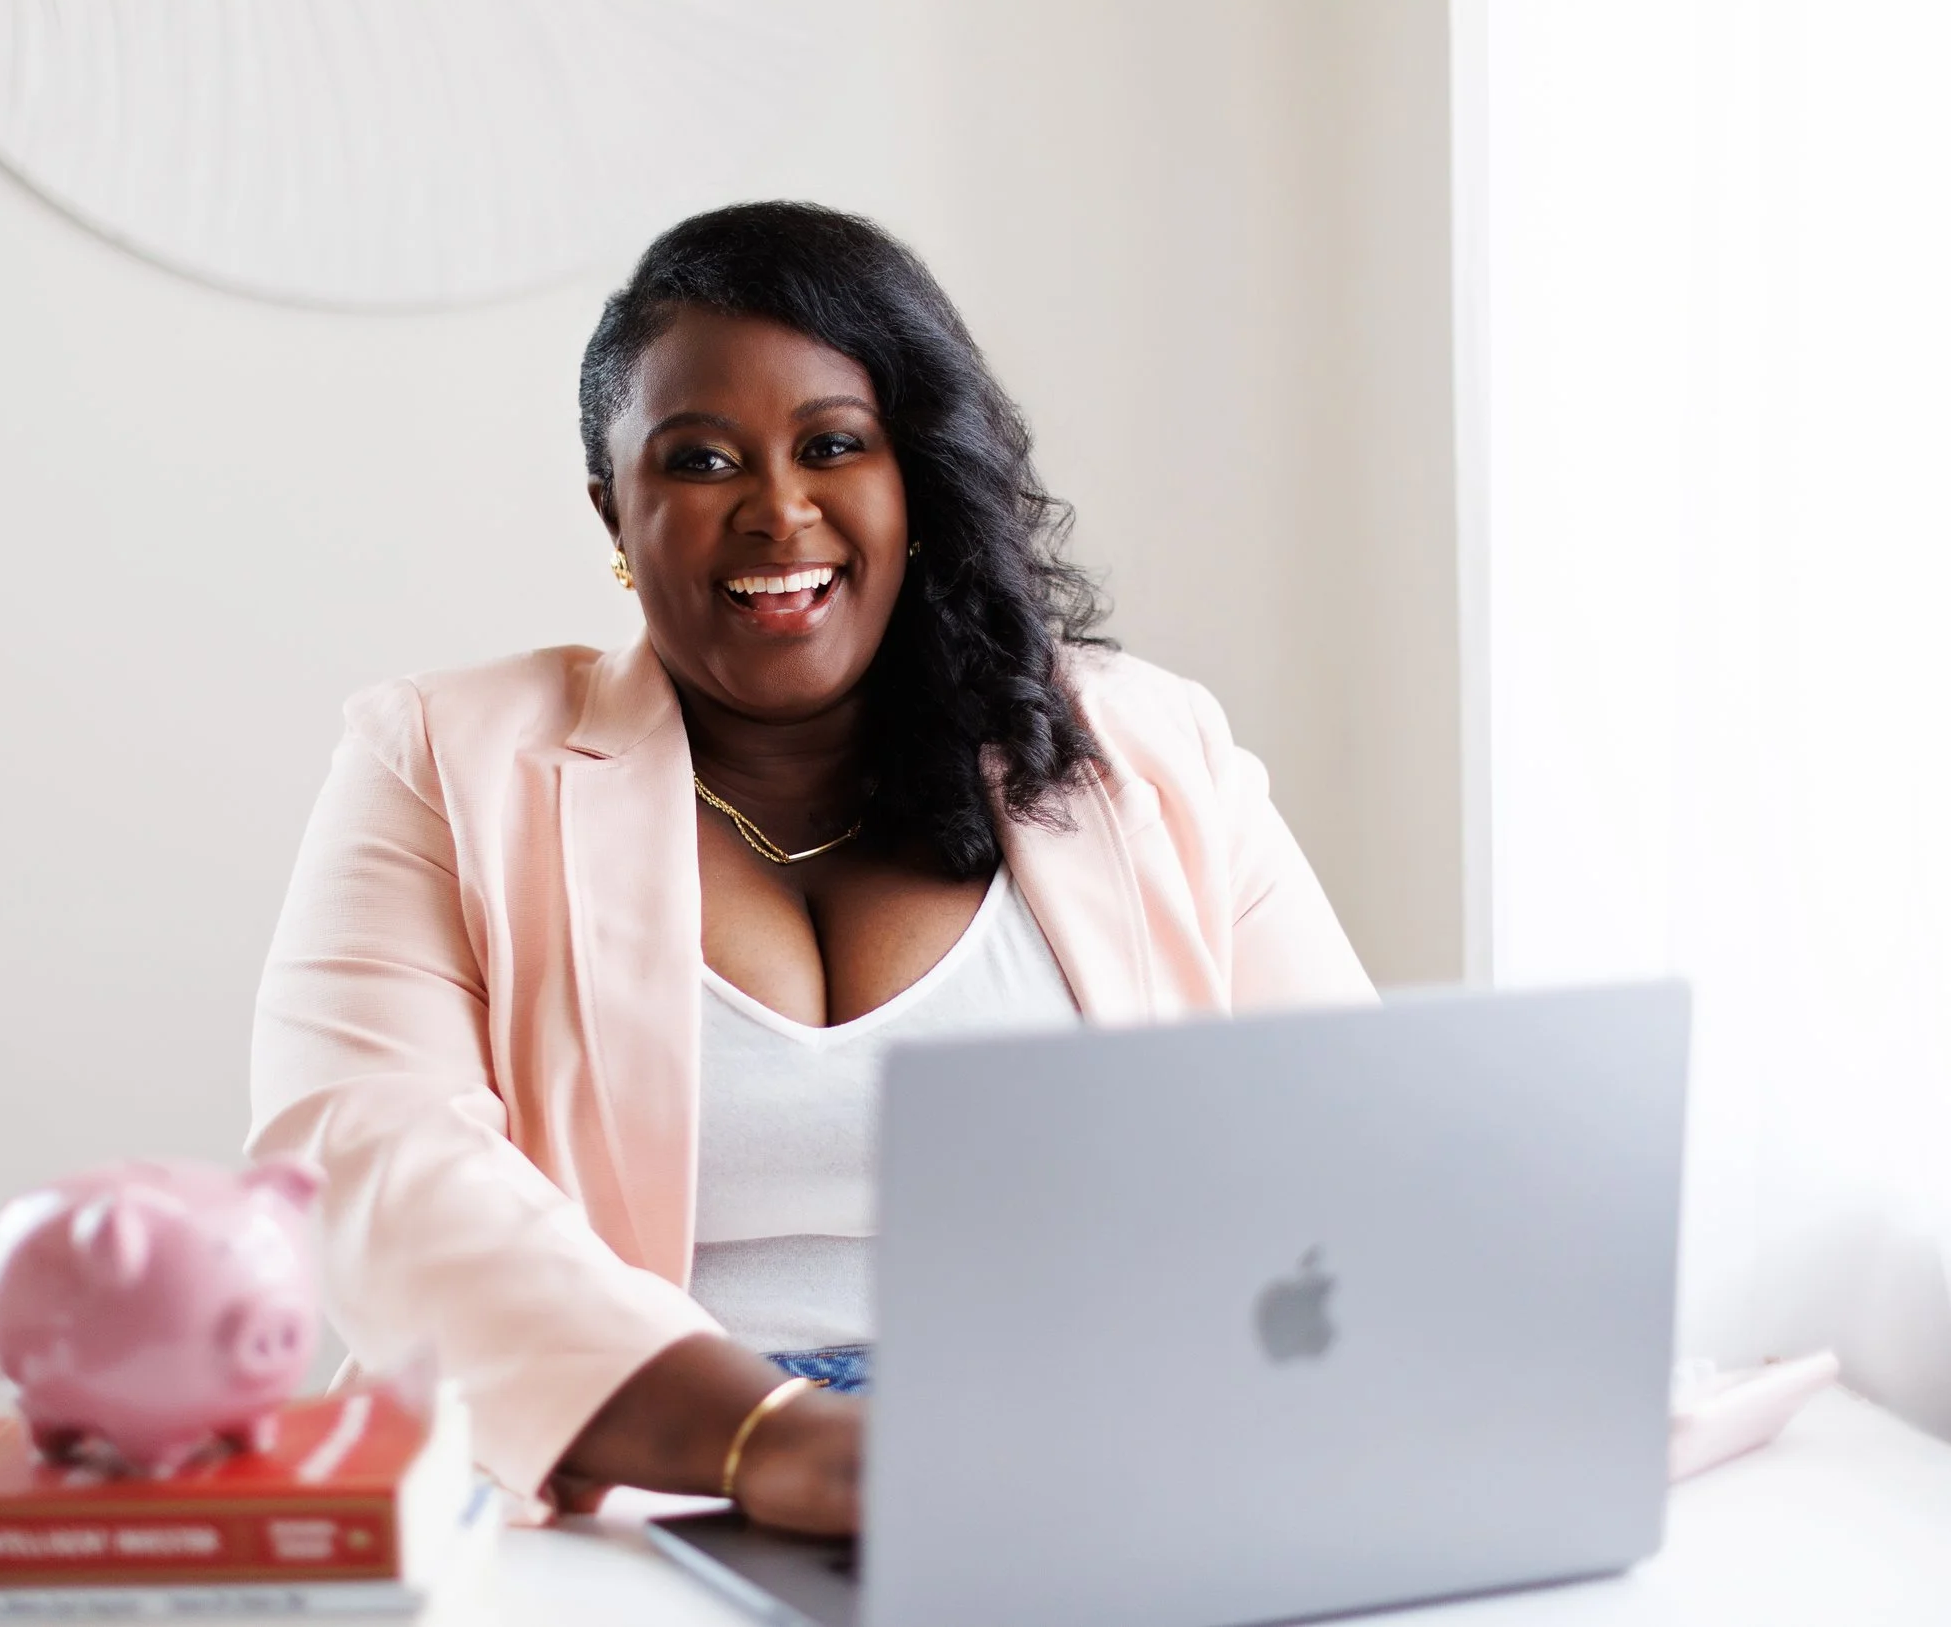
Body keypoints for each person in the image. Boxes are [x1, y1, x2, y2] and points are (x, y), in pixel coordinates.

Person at [246, 203, 1373, 1536]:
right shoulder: (442, 758)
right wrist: (773, 1438)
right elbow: (375, 1169)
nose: (778, 511)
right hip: (635, 1476)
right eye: (702, 460)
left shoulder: (1146, 750)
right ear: (616, 507)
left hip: (1076, 1469)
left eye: (835, 444)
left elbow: (1351, 1136)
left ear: (917, 481)